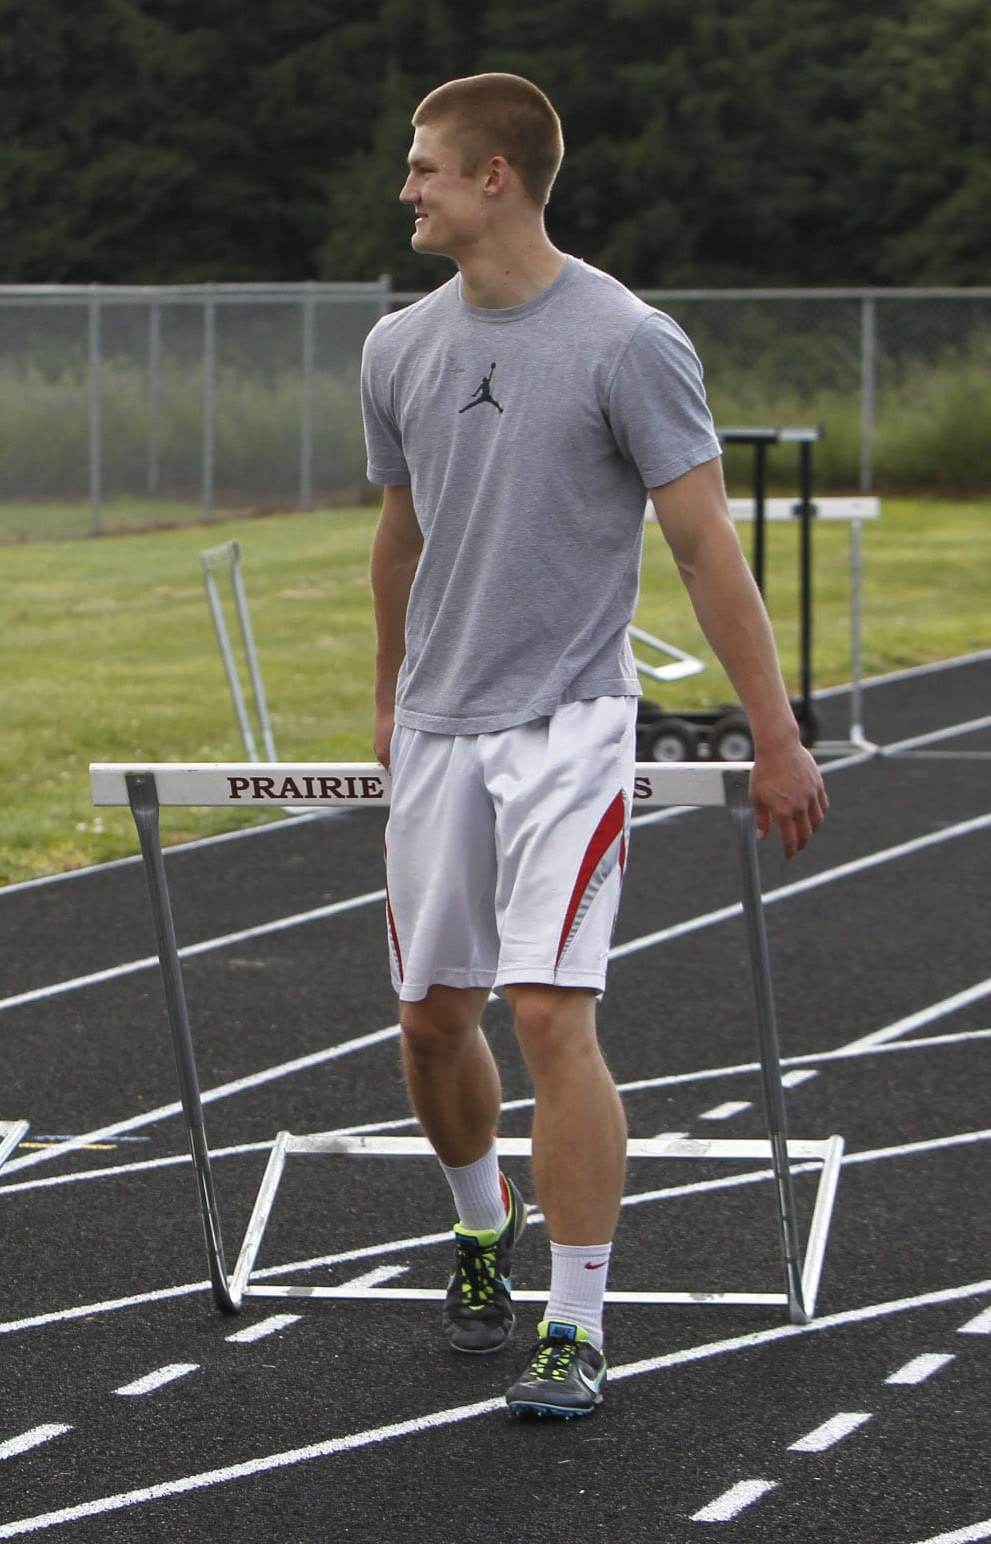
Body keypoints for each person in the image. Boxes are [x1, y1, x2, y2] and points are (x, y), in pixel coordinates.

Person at [361, 75, 827, 1417]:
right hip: (442, 729)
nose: (408, 190)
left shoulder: (629, 341)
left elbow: (702, 546)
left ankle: (576, 1319)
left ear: (495, 176)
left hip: (570, 727)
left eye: (426, 170)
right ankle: (475, 1229)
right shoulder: (397, 348)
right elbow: (399, 537)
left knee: (552, 1013)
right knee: (430, 1019)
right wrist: (391, 697)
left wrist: (775, 733)